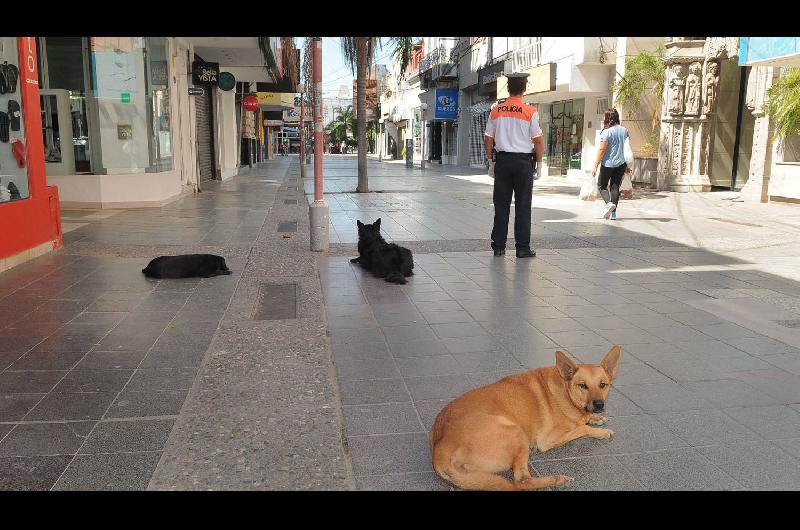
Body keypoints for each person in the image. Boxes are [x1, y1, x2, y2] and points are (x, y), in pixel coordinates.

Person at [484, 72, 544, 258]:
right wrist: (540, 164)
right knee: (523, 206)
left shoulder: (496, 110)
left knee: (501, 205)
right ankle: (522, 248)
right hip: (523, 163)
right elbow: (538, 140)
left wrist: (491, 162)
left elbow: (488, 138)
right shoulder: (530, 111)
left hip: (502, 161)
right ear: (525, 89)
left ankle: (499, 246)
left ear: (508, 88)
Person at [592, 108, 631, 221]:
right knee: (615, 187)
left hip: (608, 164)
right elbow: (627, 148)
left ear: (607, 118)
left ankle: (609, 204)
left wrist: (595, 165)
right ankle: (613, 214)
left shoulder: (606, 131)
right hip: (621, 163)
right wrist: (628, 165)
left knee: (601, 185)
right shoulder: (625, 130)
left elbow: (601, 150)